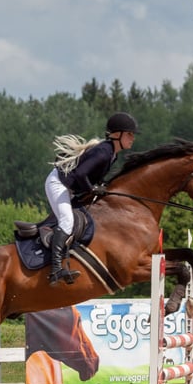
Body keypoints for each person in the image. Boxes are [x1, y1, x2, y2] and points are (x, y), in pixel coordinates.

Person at [44, 111, 138, 285]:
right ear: (117, 135)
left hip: (71, 186)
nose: (133, 138)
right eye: (130, 134)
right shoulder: (104, 152)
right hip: (59, 184)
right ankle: (56, 269)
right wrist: (92, 189)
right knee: (67, 221)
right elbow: (81, 174)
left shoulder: (112, 154)